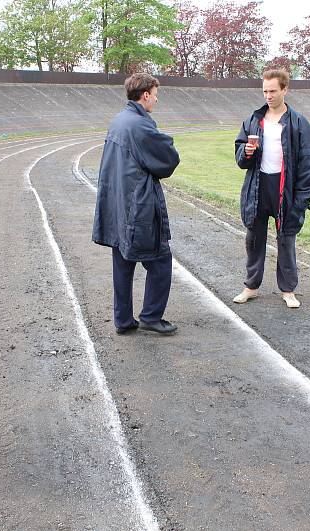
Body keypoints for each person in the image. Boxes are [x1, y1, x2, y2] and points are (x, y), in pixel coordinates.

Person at [92, 73, 180, 335]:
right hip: (136, 205)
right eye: (155, 93)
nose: (156, 98)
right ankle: (151, 316)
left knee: (122, 259)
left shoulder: (120, 119)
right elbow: (167, 160)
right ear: (145, 95)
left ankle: (123, 319)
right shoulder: (139, 125)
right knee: (160, 260)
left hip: (117, 202)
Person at [233, 69, 310, 308]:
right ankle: (250, 286)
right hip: (258, 186)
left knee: (286, 239)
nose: (268, 96)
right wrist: (246, 153)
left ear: (284, 89)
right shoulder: (253, 119)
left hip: (285, 188)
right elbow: (240, 157)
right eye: (265, 91)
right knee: (254, 238)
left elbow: (309, 162)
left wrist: (302, 198)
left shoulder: (299, 122)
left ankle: (288, 289)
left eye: (273, 91)